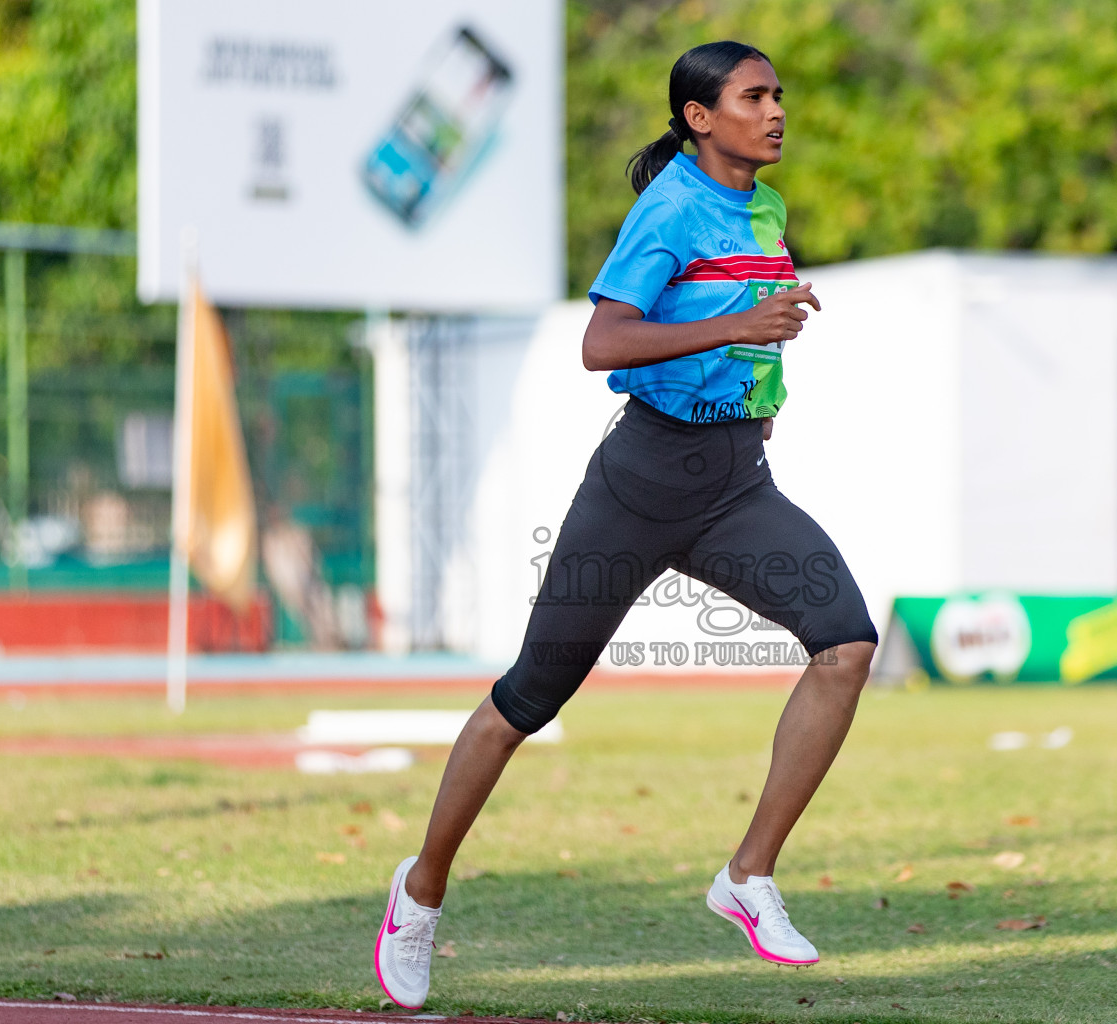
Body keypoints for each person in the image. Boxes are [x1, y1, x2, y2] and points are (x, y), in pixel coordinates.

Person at [374, 40, 879, 1008]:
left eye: (779, 94)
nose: (776, 110)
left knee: (846, 643)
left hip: (736, 485)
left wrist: (767, 348)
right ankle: (421, 891)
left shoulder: (765, 206)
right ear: (700, 116)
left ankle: (747, 875)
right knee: (528, 698)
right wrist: (734, 328)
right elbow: (601, 342)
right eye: (754, 96)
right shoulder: (669, 209)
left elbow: (745, 313)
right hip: (640, 486)